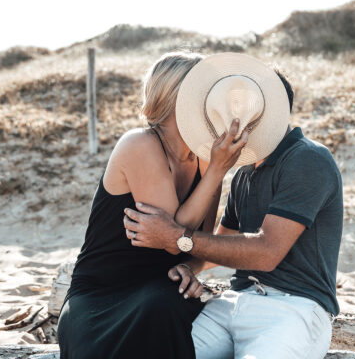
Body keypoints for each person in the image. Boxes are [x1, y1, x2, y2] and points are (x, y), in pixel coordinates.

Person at [124, 52, 343, 359]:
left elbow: (266, 253)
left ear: (271, 109)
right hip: (232, 302)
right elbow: (221, 243)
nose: (229, 115)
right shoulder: (244, 172)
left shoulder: (307, 159)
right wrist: (188, 267)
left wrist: (176, 238)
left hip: (293, 308)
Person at [57, 51, 248, 359]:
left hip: (158, 290)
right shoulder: (140, 145)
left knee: (167, 305)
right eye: (206, 94)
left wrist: (188, 267)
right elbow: (174, 241)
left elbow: (195, 244)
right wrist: (217, 171)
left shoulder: (205, 159)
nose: (217, 105)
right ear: (178, 99)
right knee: (161, 308)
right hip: (101, 297)